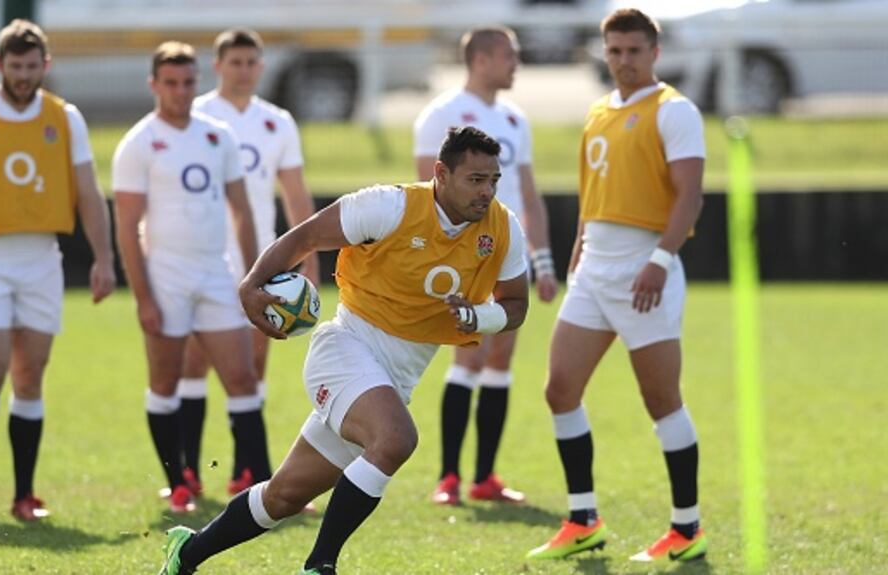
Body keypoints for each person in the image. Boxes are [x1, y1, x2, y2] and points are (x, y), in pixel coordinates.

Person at [157, 126, 530, 575]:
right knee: (395, 439)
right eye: (476, 179)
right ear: (441, 173)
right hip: (345, 349)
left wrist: (479, 317)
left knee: (284, 496)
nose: (487, 191)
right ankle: (320, 565)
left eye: (494, 180)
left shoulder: (503, 227)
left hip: (395, 379)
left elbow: (516, 305)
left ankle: (187, 553)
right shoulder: (389, 206)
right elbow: (305, 237)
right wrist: (250, 285)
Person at [525, 8, 708, 563]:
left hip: (644, 271)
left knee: (661, 400)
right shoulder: (599, 111)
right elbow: (593, 193)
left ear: (654, 52)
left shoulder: (674, 110)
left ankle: (687, 528)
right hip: (593, 271)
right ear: (604, 53)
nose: (624, 60)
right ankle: (583, 519)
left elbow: (690, 195)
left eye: (633, 50)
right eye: (614, 51)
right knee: (560, 389)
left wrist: (660, 259)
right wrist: (578, 249)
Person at [0, 19, 116, 521]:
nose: (24, 76)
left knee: (30, 374)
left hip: (40, 258)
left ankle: (24, 494)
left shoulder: (64, 118)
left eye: (33, 67)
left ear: (45, 65)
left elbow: (88, 192)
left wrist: (104, 258)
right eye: (16, 67)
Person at [112, 41, 267, 514]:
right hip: (166, 277)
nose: (180, 91)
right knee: (165, 380)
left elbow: (241, 211)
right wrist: (144, 297)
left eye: (187, 82)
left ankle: (263, 484)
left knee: (242, 377)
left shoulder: (218, 136)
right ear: (154, 85)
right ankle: (178, 482)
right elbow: (127, 227)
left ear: (197, 82)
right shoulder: (139, 143)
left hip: (216, 273)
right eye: (170, 83)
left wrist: (255, 279)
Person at [413, 26, 558, 506]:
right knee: (469, 358)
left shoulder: (515, 119)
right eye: (508, 56)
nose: (516, 64)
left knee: (500, 359)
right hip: (466, 256)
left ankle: (484, 477)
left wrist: (542, 260)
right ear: (480, 60)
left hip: (509, 255)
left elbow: (529, 195)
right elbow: (425, 191)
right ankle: (448, 478)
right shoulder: (441, 114)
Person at [172, 28, 319, 497]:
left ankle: (245, 472)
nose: (244, 70)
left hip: (261, 261)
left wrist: (310, 258)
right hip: (206, 258)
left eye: (251, 62)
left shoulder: (277, 122)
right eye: (234, 62)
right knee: (195, 363)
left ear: (262, 66)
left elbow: (295, 193)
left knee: (254, 366)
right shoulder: (197, 117)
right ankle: (187, 473)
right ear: (217, 66)